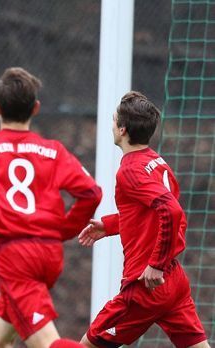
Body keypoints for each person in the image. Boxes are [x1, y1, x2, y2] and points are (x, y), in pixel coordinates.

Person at [0, 67, 102, 348]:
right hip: (49, 255)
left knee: (46, 343)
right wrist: (63, 230)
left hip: (14, 257)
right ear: (35, 108)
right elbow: (90, 193)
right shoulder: (53, 150)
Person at [78, 91, 209, 348]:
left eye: (114, 120)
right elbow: (153, 212)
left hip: (145, 287)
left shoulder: (130, 171)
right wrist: (111, 225)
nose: (112, 125)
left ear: (123, 129)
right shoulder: (157, 162)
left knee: (86, 345)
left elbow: (171, 211)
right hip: (173, 281)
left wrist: (156, 264)